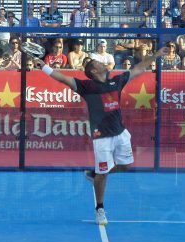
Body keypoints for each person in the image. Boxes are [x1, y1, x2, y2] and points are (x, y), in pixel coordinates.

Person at [34, 46, 169, 225]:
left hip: (121, 133)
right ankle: (100, 208)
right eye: (99, 62)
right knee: (103, 175)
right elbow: (62, 78)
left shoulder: (117, 81)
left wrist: (157, 55)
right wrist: (43, 65)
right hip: (102, 138)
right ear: (95, 70)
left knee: (126, 166)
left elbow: (138, 68)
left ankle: (95, 173)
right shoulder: (86, 86)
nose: (104, 62)